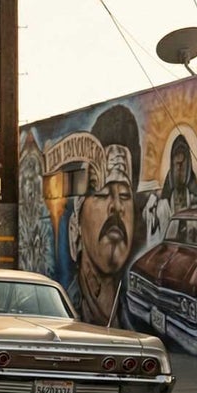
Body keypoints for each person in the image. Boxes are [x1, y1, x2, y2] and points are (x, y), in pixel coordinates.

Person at [67, 104, 141, 328]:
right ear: (76, 225)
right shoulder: (63, 314)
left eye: (125, 194)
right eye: (102, 193)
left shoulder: (134, 321)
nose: (116, 206)